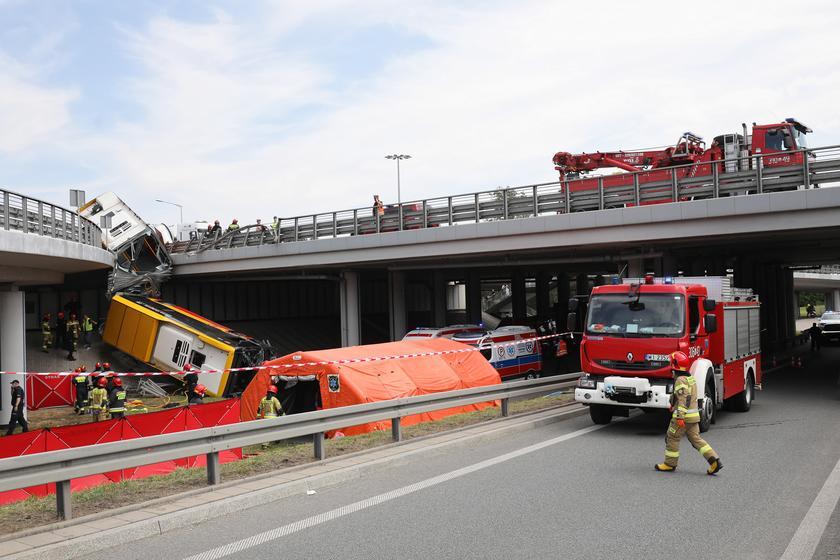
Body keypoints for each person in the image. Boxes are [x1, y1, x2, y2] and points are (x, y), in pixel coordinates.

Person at [655, 352, 722, 475]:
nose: (670, 365)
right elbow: (686, 397)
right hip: (693, 417)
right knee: (696, 439)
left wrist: (680, 416)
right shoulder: (690, 378)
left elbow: (684, 398)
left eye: (671, 363)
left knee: (672, 437)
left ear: (675, 365)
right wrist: (672, 402)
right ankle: (714, 460)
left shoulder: (680, 380)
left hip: (683, 418)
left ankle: (669, 464)